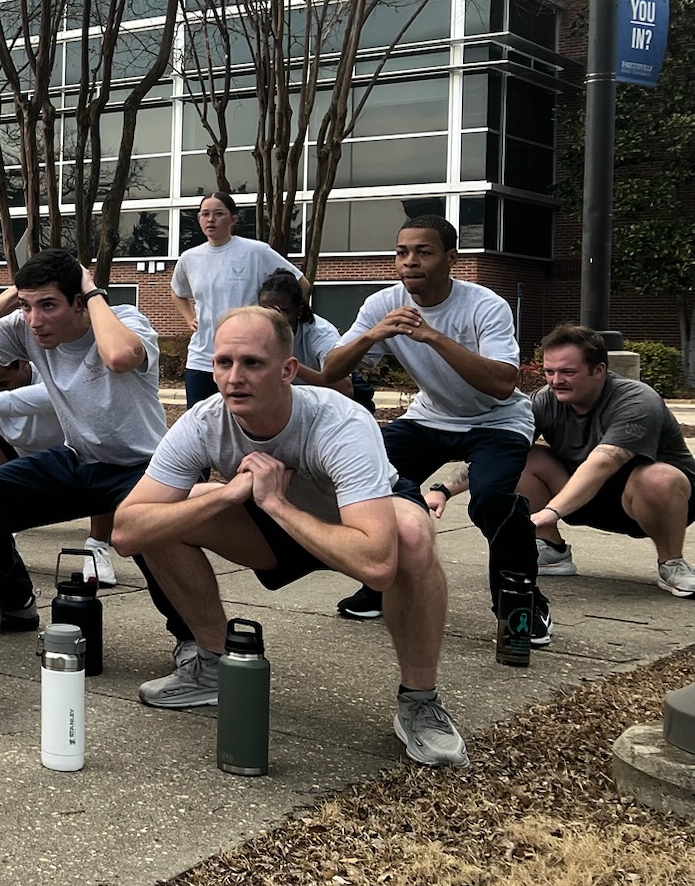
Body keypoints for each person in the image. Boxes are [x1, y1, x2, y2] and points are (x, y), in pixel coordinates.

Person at [110, 307, 470, 768]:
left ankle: (419, 701)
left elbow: (377, 566)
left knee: (412, 533)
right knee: (168, 517)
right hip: (272, 527)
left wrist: (279, 504)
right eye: (224, 362)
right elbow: (126, 533)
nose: (234, 378)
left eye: (252, 363)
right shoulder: (203, 421)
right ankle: (215, 666)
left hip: (356, 525)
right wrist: (229, 494)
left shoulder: (338, 422)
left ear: (287, 371)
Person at [0, 248, 192, 642]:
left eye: (48, 305)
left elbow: (120, 357)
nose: (35, 320)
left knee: (149, 537)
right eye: (28, 307)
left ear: (80, 303)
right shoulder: (26, 328)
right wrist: (13, 295)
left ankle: (194, 642)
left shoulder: (124, 321)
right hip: (77, 461)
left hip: (140, 468)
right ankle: (15, 604)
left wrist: (91, 289)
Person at [318, 216, 542, 639]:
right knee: (371, 484)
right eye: (402, 253)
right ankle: (379, 586)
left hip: (498, 420)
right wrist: (372, 336)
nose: (410, 262)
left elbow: (502, 383)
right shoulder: (383, 304)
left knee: (491, 500)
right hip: (429, 417)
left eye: (423, 252)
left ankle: (521, 606)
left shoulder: (485, 305)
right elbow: (331, 371)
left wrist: (433, 336)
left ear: (450, 258)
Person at [523, 324, 695, 596]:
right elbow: (500, 447)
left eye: (568, 372)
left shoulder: (637, 399)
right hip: (582, 498)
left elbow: (604, 463)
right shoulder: (544, 400)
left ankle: (672, 563)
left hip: (649, 504)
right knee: (519, 455)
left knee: (658, 477)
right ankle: (550, 549)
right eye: (549, 371)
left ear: (599, 370)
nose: (556, 380)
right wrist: (450, 489)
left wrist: (550, 512)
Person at [0, 357, 119, 587]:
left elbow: (51, 394)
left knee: (103, 455)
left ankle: (97, 545)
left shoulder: (49, 372)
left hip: (71, 455)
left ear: (24, 363)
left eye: (3, 384)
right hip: (17, 452)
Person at [170, 192, 304, 407]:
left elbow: (300, 283)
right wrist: (189, 317)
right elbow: (177, 292)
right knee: (201, 419)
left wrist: (274, 319)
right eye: (205, 214)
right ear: (199, 218)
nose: (211, 219)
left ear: (233, 219)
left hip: (247, 356)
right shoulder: (189, 258)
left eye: (218, 214)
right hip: (202, 358)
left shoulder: (256, 252)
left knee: (247, 417)